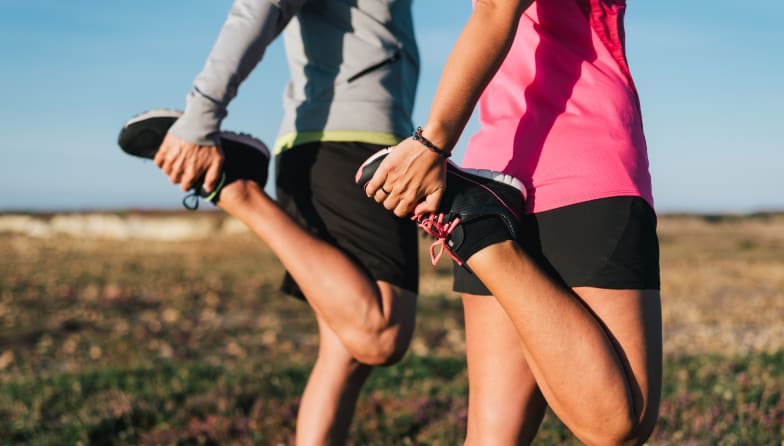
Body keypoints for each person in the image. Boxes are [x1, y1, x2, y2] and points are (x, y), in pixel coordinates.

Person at [360, 0, 662, 444]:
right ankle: (480, 232)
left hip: (495, 169)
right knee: (619, 420)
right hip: (585, 161)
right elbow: (496, 10)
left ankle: (478, 227)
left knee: (492, 438)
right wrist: (431, 143)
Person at [146, 0, 420, 443]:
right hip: (345, 143)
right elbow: (259, 6)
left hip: (362, 139)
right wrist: (200, 118)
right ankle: (239, 192)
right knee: (379, 333)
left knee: (345, 357)